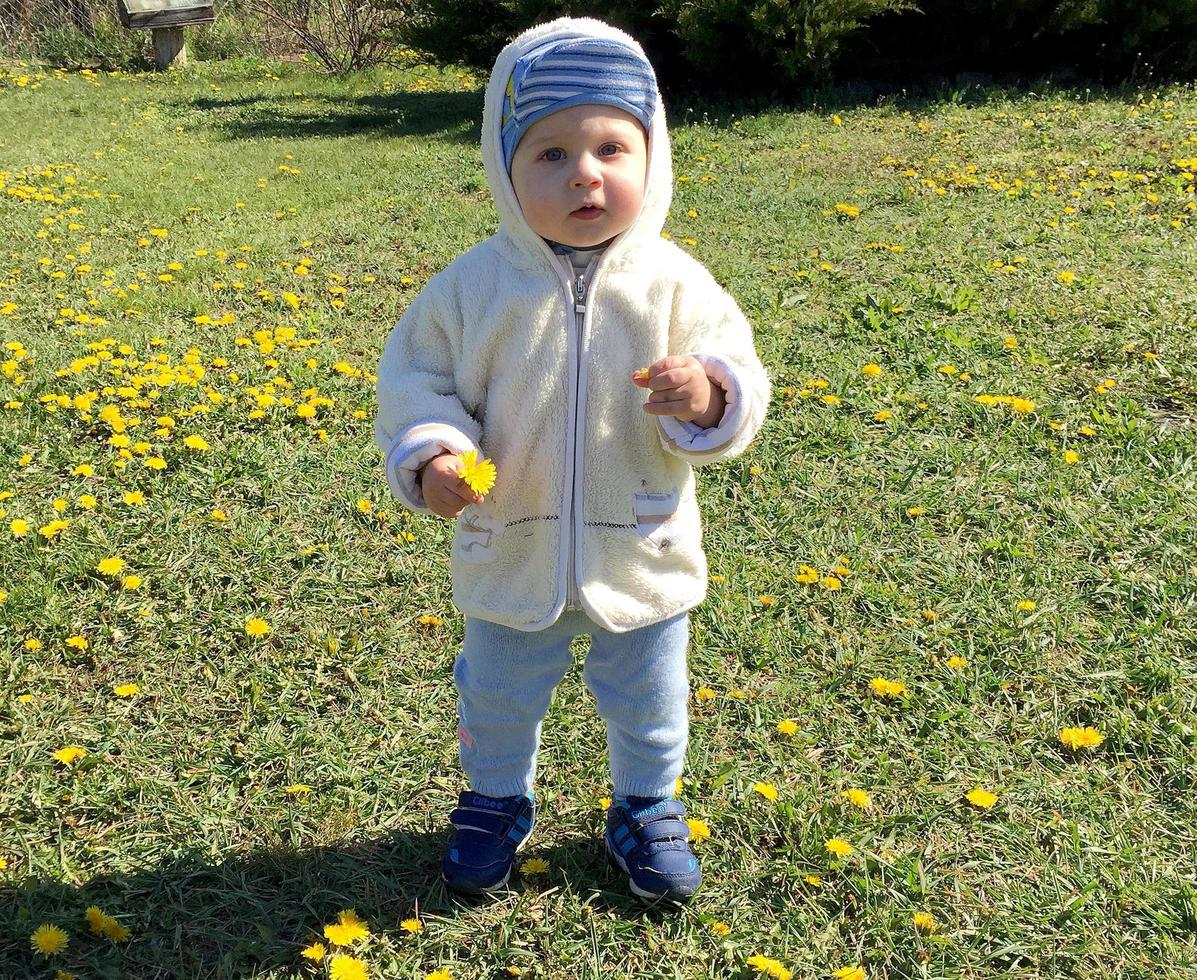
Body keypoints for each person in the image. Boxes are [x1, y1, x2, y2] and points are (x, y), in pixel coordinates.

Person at [374, 16, 770, 903]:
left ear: (651, 158)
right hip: (508, 539)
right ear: (504, 170)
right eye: (548, 154)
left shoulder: (676, 284)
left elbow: (737, 370)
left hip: (643, 544)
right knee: (498, 694)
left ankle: (646, 805)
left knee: (650, 700)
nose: (583, 173)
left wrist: (708, 397)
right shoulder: (472, 289)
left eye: (608, 148)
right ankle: (493, 801)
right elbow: (416, 382)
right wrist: (433, 451)